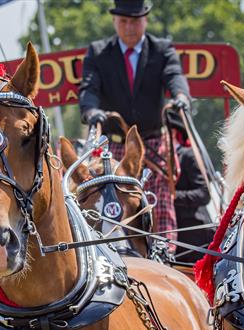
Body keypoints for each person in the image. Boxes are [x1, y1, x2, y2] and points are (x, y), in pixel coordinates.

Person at [79, 0, 191, 245]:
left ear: (145, 20)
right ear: (115, 21)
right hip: (113, 146)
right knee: (111, 195)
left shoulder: (162, 49)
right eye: (124, 21)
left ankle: (164, 252)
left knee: (159, 198)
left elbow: (175, 76)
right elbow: (89, 88)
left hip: (153, 143)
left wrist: (181, 97)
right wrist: (91, 111)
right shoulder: (98, 52)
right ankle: (111, 249)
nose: (129, 27)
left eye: (135, 21)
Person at [172, 126, 214, 262]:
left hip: (194, 233)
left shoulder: (188, 155)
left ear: (172, 132)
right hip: (173, 232)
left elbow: (203, 193)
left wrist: (171, 197)